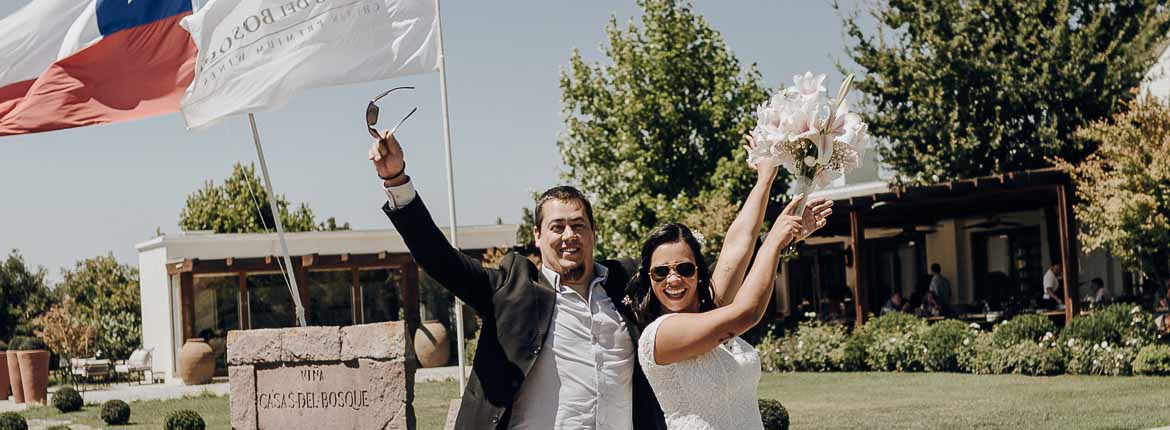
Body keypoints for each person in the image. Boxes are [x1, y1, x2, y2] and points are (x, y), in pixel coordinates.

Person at [368, 131, 664, 430]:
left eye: (578, 225)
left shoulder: (624, 285)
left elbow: (695, 293)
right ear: (537, 236)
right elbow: (438, 257)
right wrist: (397, 180)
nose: (568, 236)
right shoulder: (511, 290)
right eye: (557, 227)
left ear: (593, 233)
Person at [628, 137, 832, 430]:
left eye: (684, 269)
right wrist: (774, 241)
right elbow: (746, 312)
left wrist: (766, 176)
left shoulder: (708, 311)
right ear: (650, 278)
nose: (673, 279)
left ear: (699, 272)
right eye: (661, 272)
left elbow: (738, 245)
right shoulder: (660, 335)